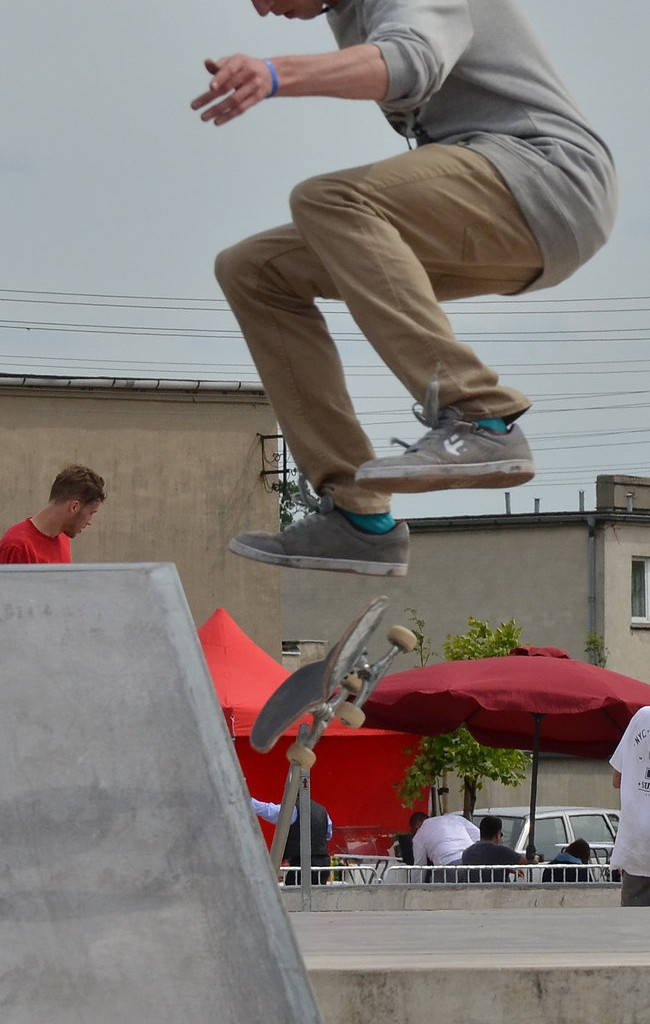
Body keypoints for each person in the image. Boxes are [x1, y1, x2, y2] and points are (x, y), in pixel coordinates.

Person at [191, 0, 617, 577]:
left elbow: (411, 61)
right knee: (253, 269)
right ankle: (358, 519)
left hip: (546, 178)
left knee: (330, 199)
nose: (264, 9)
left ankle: (479, 417)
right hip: (509, 219)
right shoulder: (349, 13)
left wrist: (275, 74)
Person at [0, 465, 107, 564]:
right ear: (74, 507)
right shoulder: (17, 546)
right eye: (91, 513)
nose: (89, 522)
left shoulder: (63, 537)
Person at [610, 706, 650, 906]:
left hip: (637, 848)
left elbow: (617, 779)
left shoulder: (642, 717)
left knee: (633, 929)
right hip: (636, 850)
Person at [251, 795, 333, 885]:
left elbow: (268, 810)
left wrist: (245, 799)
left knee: (293, 895)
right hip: (322, 864)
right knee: (318, 895)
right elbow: (328, 834)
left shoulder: (293, 810)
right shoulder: (322, 811)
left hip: (300, 865)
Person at [461, 814, 538, 882]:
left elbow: (485, 866)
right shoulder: (500, 851)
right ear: (498, 834)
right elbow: (528, 861)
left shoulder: (467, 852)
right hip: (498, 894)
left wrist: (509, 869)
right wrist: (536, 858)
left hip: (473, 893)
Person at [413, 812, 480, 869]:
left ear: (417, 826)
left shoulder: (420, 834)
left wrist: (416, 884)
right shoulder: (454, 818)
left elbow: (419, 866)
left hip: (447, 864)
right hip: (472, 860)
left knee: (436, 882)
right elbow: (478, 835)